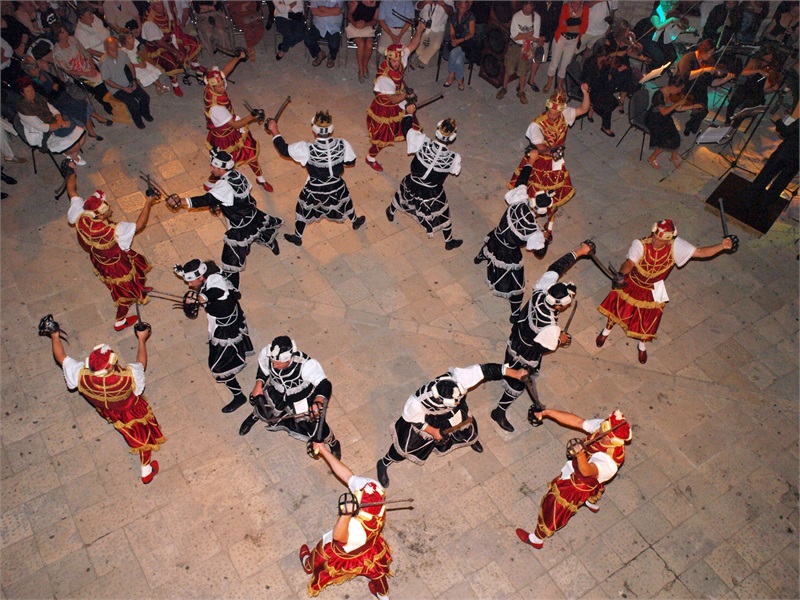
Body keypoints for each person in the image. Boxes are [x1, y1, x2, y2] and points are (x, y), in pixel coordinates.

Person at [596, 220, 734, 364]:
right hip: (634, 283)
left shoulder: (677, 246)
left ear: (668, 240)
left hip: (654, 287)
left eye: (660, 240)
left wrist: (721, 246)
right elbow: (630, 262)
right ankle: (606, 331)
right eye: (655, 237)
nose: (655, 241)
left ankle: (642, 345)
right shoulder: (641, 244)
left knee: (649, 318)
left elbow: (700, 252)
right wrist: (622, 274)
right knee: (618, 308)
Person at [491, 242, 593, 433]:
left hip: (516, 337)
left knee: (510, 367)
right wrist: (561, 340)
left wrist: (578, 251)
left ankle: (506, 376)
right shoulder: (551, 327)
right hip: (526, 352)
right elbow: (543, 348)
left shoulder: (541, 291)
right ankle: (499, 410)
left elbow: (555, 267)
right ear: (559, 307)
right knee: (519, 383)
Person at [46, 324, 166, 484]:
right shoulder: (128, 377)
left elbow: (62, 358)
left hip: (107, 410)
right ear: (110, 366)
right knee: (142, 437)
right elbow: (141, 364)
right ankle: (146, 471)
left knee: (126, 429)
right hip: (131, 412)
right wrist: (142, 340)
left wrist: (54, 336)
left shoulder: (82, 376)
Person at [376, 362, 528, 488]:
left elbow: (486, 370)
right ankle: (384, 462)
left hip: (454, 414)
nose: (459, 401)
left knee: (467, 429)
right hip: (428, 421)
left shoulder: (460, 378)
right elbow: (414, 420)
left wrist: (515, 373)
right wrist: (433, 431)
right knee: (407, 445)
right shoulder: (416, 403)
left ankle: (470, 440)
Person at [167, 149, 283, 290]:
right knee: (259, 228)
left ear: (221, 168)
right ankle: (271, 243)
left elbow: (205, 200)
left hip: (239, 224)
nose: (211, 169)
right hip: (251, 213)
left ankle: (233, 289)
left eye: (213, 167)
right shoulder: (238, 174)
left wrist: (181, 201)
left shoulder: (223, 185)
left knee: (230, 260)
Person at [516, 409, 631, 549]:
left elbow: (587, 471)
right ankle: (591, 503)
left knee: (554, 507)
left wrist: (580, 454)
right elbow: (578, 422)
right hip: (587, 475)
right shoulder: (604, 429)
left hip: (577, 485)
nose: (600, 427)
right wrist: (548, 413)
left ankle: (536, 539)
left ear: (610, 439)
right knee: (595, 488)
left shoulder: (610, 461)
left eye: (603, 427)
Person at [64, 163, 156, 331]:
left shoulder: (79, 213)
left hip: (100, 260)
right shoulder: (115, 231)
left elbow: (72, 191)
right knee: (124, 295)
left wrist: (71, 172)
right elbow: (140, 224)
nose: (110, 209)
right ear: (101, 213)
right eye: (107, 208)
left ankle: (138, 289)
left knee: (137, 275)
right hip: (118, 266)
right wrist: (148, 202)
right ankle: (120, 321)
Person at [300, 442, 391, 598]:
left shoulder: (356, 528)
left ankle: (308, 565)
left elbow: (338, 537)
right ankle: (383, 595)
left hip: (345, 553)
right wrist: (323, 450)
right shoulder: (373, 488)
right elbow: (348, 476)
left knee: (320, 556)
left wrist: (346, 515)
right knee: (377, 572)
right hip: (370, 548)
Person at [474, 153, 553, 321]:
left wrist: (530, 160)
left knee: (490, 246)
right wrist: (546, 238)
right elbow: (540, 253)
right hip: (509, 253)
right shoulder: (534, 231)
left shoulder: (518, 200)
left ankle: (480, 256)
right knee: (517, 286)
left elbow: (522, 181)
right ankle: (515, 312)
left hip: (497, 237)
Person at [267, 111, 364, 247]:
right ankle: (355, 221)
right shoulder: (343, 144)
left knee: (302, 209)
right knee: (345, 201)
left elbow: (284, 149)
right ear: (331, 130)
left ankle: (298, 236)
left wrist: (274, 130)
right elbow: (351, 162)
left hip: (315, 188)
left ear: (314, 131)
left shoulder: (306, 149)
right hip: (336, 184)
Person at [237, 337, 342, 459]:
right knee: (263, 407)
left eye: (278, 364)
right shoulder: (268, 353)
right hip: (277, 392)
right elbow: (263, 368)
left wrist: (318, 400)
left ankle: (333, 442)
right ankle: (255, 416)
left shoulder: (306, 365)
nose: (274, 366)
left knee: (315, 426)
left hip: (301, 398)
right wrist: (258, 385)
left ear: (290, 358)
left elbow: (325, 384)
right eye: (273, 362)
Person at [174, 258, 254, 412]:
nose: (189, 286)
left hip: (225, 329)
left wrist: (200, 298)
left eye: (191, 282)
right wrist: (181, 272)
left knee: (218, 367)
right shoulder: (209, 272)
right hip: (222, 320)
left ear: (201, 277)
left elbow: (214, 292)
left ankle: (239, 397)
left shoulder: (216, 282)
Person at [386, 106, 463, 250]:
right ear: (452, 138)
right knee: (443, 213)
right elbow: (455, 172)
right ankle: (449, 241)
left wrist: (409, 113)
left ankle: (390, 211)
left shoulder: (422, 141)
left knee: (402, 195)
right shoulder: (454, 158)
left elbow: (406, 128)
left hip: (412, 182)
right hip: (432, 192)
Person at [508, 86, 590, 216]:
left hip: (556, 157)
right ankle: (531, 206)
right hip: (540, 160)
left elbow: (584, 109)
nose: (552, 116)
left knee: (555, 182)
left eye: (555, 114)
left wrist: (585, 93)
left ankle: (548, 201)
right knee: (535, 184)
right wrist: (553, 152)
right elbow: (540, 148)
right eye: (550, 112)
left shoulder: (565, 114)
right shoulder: (537, 125)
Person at [203, 53, 274, 192]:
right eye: (219, 86)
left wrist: (238, 57)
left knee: (250, 153)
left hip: (230, 132)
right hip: (225, 138)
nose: (223, 87)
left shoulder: (211, 85)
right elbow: (235, 125)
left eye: (223, 83)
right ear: (212, 87)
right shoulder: (216, 108)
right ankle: (211, 182)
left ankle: (260, 179)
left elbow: (225, 71)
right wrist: (251, 116)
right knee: (224, 164)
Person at [365, 23, 427, 171]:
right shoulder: (384, 77)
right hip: (386, 107)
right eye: (394, 61)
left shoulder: (398, 59)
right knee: (383, 138)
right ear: (388, 59)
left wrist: (419, 31)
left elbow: (412, 45)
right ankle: (370, 158)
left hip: (399, 99)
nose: (397, 63)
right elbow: (392, 99)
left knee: (412, 125)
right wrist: (407, 95)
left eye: (399, 60)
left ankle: (419, 151)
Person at [21, 55, 106, 140]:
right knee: (81, 104)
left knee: (80, 104)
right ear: (28, 72)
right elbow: (47, 98)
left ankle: (92, 130)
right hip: (56, 103)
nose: (36, 70)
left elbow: (59, 82)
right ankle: (97, 120)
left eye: (36, 67)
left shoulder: (43, 72)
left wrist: (56, 88)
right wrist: (54, 89)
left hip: (63, 95)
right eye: (33, 69)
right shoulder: (33, 84)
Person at [16, 77, 87, 164]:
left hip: (54, 123)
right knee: (75, 145)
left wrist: (59, 119)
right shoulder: (24, 109)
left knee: (82, 134)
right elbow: (41, 127)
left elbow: (52, 108)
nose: (32, 93)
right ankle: (73, 156)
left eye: (32, 89)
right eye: (28, 91)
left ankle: (72, 156)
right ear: (22, 93)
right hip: (44, 134)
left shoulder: (38, 97)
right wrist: (60, 125)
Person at [141, 0, 203, 97]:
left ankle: (195, 65)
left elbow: (172, 22)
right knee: (170, 61)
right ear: (152, 5)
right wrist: (176, 51)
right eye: (158, 4)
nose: (161, 6)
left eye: (161, 3)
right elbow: (159, 42)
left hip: (169, 37)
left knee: (191, 42)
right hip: (158, 47)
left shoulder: (164, 9)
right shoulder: (149, 22)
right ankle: (175, 85)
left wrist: (178, 36)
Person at [51, 22, 113, 116]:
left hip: (87, 66)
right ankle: (107, 105)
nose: (66, 33)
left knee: (105, 79)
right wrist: (86, 74)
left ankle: (113, 99)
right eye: (62, 32)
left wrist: (92, 67)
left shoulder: (73, 40)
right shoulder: (57, 52)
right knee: (97, 87)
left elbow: (85, 53)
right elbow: (68, 70)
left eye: (65, 31)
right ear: (57, 35)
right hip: (77, 75)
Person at [676, 38, 735, 136]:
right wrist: (703, 70)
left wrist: (724, 80)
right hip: (685, 86)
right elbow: (685, 75)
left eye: (712, 53)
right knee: (690, 105)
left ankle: (690, 125)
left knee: (703, 110)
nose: (710, 56)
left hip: (699, 88)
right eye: (709, 53)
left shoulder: (709, 61)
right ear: (702, 50)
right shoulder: (689, 57)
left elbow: (712, 82)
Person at [645, 75, 701, 170]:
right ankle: (652, 157)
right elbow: (664, 111)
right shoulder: (658, 95)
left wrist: (692, 106)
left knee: (676, 137)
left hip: (664, 118)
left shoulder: (669, 92)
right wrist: (677, 103)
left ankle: (673, 157)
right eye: (679, 89)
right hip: (654, 119)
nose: (679, 91)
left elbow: (676, 108)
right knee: (667, 141)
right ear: (673, 87)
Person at [99, 37, 153, 130]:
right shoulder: (104, 62)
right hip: (116, 88)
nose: (115, 52)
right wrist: (123, 88)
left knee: (145, 97)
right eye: (112, 50)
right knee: (133, 104)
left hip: (127, 81)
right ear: (106, 49)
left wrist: (133, 80)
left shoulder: (121, 53)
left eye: (116, 48)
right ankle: (138, 121)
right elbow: (107, 80)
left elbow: (130, 65)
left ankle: (144, 112)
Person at [746, 119, 799, 206]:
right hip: (797, 161)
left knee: (765, 176)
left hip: (785, 153)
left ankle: (748, 200)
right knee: (779, 185)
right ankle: (764, 207)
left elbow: (785, 132)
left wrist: (778, 121)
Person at [496, 1, 541, 104]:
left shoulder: (537, 18)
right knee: (509, 69)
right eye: (525, 8)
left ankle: (521, 91)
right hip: (515, 46)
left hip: (527, 47)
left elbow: (535, 37)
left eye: (529, 8)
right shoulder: (516, 16)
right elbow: (515, 36)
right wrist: (528, 34)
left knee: (523, 71)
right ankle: (504, 87)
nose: (527, 10)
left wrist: (524, 35)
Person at [724, 48, 781, 125]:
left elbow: (764, 90)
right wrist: (758, 71)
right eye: (766, 58)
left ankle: (735, 124)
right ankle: (727, 121)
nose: (767, 61)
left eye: (769, 59)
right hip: (747, 87)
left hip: (757, 93)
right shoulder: (755, 62)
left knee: (748, 106)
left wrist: (772, 89)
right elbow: (743, 73)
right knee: (735, 99)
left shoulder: (772, 70)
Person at [543, 0, 587, 93]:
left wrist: (569, 26)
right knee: (554, 63)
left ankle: (559, 84)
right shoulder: (565, 7)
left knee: (565, 65)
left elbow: (583, 29)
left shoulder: (585, 9)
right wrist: (576, 27)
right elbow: (561, 27)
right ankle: (549, 82)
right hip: (561, 38)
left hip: (573, 40)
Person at [118, 31, 171, 96]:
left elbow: (137, 53)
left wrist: (142, 61)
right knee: (148, 74)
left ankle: (158, 88)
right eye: (129, 38)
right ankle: (162, 86)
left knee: (153, 70)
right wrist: (139, 65)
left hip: (138, 61)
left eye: (132, 37)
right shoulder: (123, 51)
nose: (132, 39)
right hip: (133, 67)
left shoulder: (134, 44)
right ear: (124, 41)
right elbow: (126, 65)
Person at [581, 44, 617, 136]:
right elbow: (590, 81)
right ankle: (606, 126)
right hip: (589, 90)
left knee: (614, 102)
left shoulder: (604, 64)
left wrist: (607, 77)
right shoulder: (590, 64)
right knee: (607, 106)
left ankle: (594, 108)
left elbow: (603, 79)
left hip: (599, 87)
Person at [443, 0, 475, 91]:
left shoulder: (470, 17)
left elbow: (471, 34)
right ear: (458, 6)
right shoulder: (453, 16)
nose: (463, 10)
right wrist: (453, 39)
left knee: (453, 52)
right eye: (461, 8)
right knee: (458, 60)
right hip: (456, 40)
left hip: (467, 41)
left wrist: (459, 41)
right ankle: (460, 79)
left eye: (465, 8)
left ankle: (452, 74)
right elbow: (452, 32)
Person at [413, 0, 454, 70]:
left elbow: (451, 12)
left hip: (438, 27)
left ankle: (422, 60)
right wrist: (425, 2)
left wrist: (443, 4)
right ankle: (422, 55)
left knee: (436, 46)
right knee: (417, 43)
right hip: (423, 25)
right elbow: (416, 6)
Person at [305, 0, 345, 68]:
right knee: (308, 40)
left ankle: (331, 57)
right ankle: (320, 53)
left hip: (333, 26)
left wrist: (321, 8)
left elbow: (337, 11)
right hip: (318, 25)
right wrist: (332, 11)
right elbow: (314, 11)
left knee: (334, 44)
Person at [346, 0, 378, 83]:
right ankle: (361, 70)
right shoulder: (358, 1)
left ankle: (365, 65)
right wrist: (354, 23)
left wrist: (366, 24)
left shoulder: (377, 3)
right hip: (355, 26)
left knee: (369, 44)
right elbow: (349, 14)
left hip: (367, 26)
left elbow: (375, 20)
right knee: (361, 44)